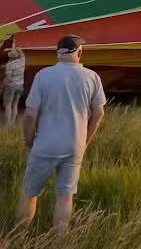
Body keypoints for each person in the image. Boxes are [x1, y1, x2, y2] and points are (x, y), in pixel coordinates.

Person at [17, 35, 106, 231]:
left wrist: (29, 141)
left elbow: (30, 115)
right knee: (65, 195)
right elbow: (99, 112)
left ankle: (19, 238)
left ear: (58, 53)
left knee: (29, 192)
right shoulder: (92, 77)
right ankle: (60, 245)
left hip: (44, 144)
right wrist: (85, 141)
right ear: (80, 52)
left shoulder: (43, 75)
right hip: (74, 145)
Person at [3, 47, 26, 125]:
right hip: (20, 86)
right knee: (15, 105)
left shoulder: (9, 65)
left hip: (11, 86)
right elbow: (22, 54)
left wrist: (2, 85)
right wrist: (19, 50)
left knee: (8, 104)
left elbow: (8, 78)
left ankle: (8, 124)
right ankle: (12, 122)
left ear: (10, 56)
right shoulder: (22, 61)